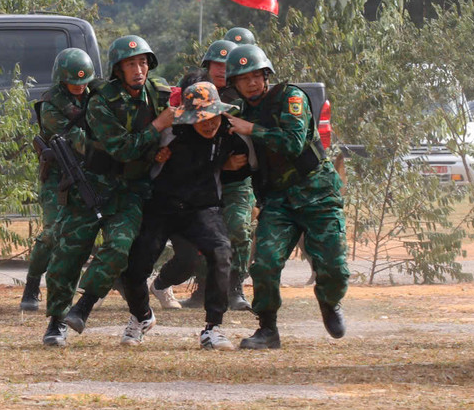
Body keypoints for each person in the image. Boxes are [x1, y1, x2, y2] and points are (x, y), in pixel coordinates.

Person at [42, 34, 173, 347]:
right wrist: (156, 128)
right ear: (118, 69)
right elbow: (121, 149)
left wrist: (165, 145)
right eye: (130, 64)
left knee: (118, 248)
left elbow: (175, 128)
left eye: (142, 62)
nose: (138, 69)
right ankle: (56, 321)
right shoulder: (101, 102)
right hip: (94, 183)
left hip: (132, 190)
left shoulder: (159, 95)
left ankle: (83, 307)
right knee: (67, 255)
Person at [223, 43, 348, 350]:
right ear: (235, 85)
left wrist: (252, 128)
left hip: (317, 192)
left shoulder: (291, 98)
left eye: (256, 76)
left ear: (267, 76)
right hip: (278, 201)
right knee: (264, 264)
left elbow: (293, 143)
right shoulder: (239, 115)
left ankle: (329, 302)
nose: (252, 82)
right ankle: (267, 328)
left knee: (333, 266)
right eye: (244, 78)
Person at [121, 82, 249, 350]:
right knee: (136, 264)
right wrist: (155, 158)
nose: (208, 123)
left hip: (201, 209)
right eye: (201, 117)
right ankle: (141, 316)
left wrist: (230, 166)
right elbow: (136, 159)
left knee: (221, 251)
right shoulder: (170, 132)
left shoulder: (230, 132)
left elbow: (249, 163)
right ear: (190, 117)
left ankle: (213, 328)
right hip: (161, 206)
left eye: (213, 115)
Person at [151, 38, 256, 312]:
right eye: (216, 64)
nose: (221, 70)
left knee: (237, 230)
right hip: (200, 181)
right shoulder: (192, 93)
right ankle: (201, 289)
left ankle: (234, 289)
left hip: (234, 181)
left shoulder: (244, 96)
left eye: (226, 65)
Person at [20, 48, 95, 313]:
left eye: (83, 81)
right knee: (53, 233)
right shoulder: (51, 105)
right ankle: (32, 283)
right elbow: (77, 141)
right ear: (62, 79)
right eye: (74, 82)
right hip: (57, 177)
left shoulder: (96, 97)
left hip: (90, 173)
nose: (80, 86)